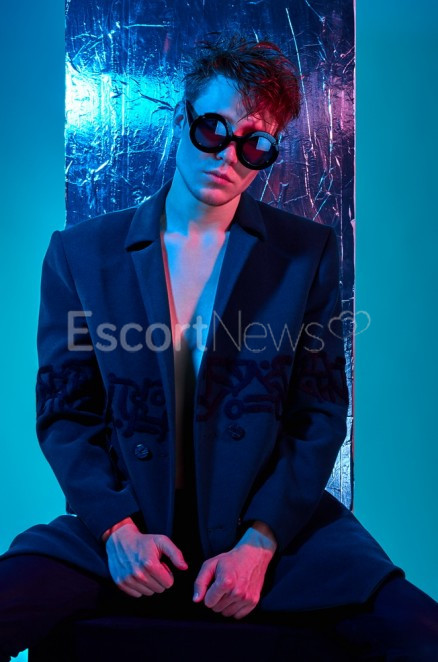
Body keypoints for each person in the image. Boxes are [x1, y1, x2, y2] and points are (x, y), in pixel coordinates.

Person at [0, 34, 437, 661]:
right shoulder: (81, 255)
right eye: (214, 129)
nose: (228, 156)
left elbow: (318, 414)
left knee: (419, 631)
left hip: (271, 529)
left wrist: (261, 543)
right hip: (126, 520)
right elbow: (66, 412)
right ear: (182, 120)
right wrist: (116, 529)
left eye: (255, 144)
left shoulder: (304, 254)